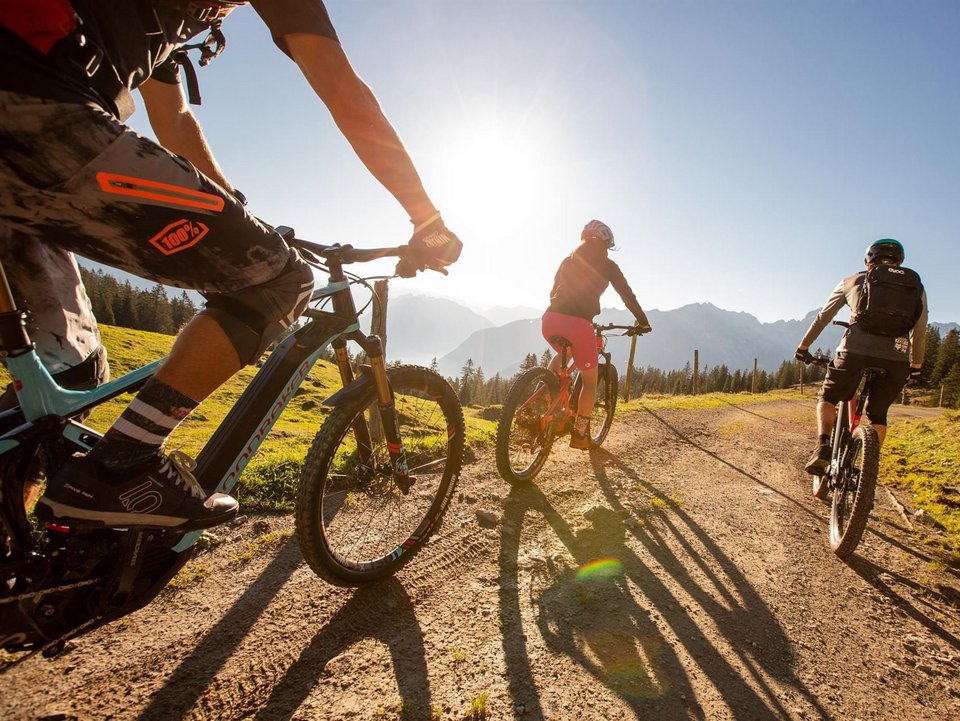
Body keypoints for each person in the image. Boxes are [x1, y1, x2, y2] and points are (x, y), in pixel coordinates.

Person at [0, 0, 462, 531]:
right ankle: (120, 467)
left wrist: (237, 213)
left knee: (67, 370)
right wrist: (426, 218)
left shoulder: (146, 24)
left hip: (29, 120)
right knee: (279, 279)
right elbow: (340, 87)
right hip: (38, 105)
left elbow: (173, 119)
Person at [795, 238, 927, 475]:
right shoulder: (914, 285)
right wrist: (915, 364)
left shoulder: (852, 280)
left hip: (854, 351)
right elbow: (920, 328)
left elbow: (823, 316)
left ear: (869, 262)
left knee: (828, 395)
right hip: (896, 358)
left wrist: (804, 346)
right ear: (899, 261)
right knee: (878, 414)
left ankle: (823, 447)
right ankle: (869, 468)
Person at [541, 220, 651, 450]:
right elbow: (627, 296)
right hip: (580, 324)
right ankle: (580, 434)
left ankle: (543, 397)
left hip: (550, 319)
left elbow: (553, 290)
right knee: (589, 383)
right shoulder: (608, 265)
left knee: (564, 352)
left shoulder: (568, 259)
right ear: (605, 243)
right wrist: (642, 321)